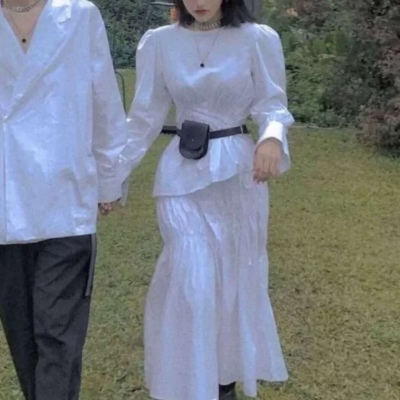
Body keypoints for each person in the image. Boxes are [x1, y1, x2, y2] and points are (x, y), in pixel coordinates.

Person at [119, 0, 295, 397]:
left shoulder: (257, 39)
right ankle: (189, 386)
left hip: (237, 176)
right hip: (180, 175)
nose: (198, 2)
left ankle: (222, 383)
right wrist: (111, 179)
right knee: (192, 279)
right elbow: (143, 118)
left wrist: (271, 137)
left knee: (233, 280)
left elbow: (273, 106)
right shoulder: (159, 43)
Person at [0, 0, 126, 399]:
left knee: (58, 336)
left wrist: (109, 178)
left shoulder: (79, 15)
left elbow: (104, 98)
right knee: (22, 337)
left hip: (66, 198)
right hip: (6, 200)